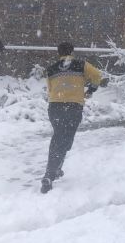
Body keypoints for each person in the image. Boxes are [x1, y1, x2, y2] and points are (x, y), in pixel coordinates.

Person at [40, 42, 102, 194]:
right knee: (65, 140)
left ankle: (54, 169)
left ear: (58, 53)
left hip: (55, 107)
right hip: (73, 107)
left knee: (58, 137)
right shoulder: (81, 65)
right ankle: (51, 173)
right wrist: (91, 89)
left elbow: (50, 89)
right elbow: (97, 75)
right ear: (72, 52)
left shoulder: (51, 68)